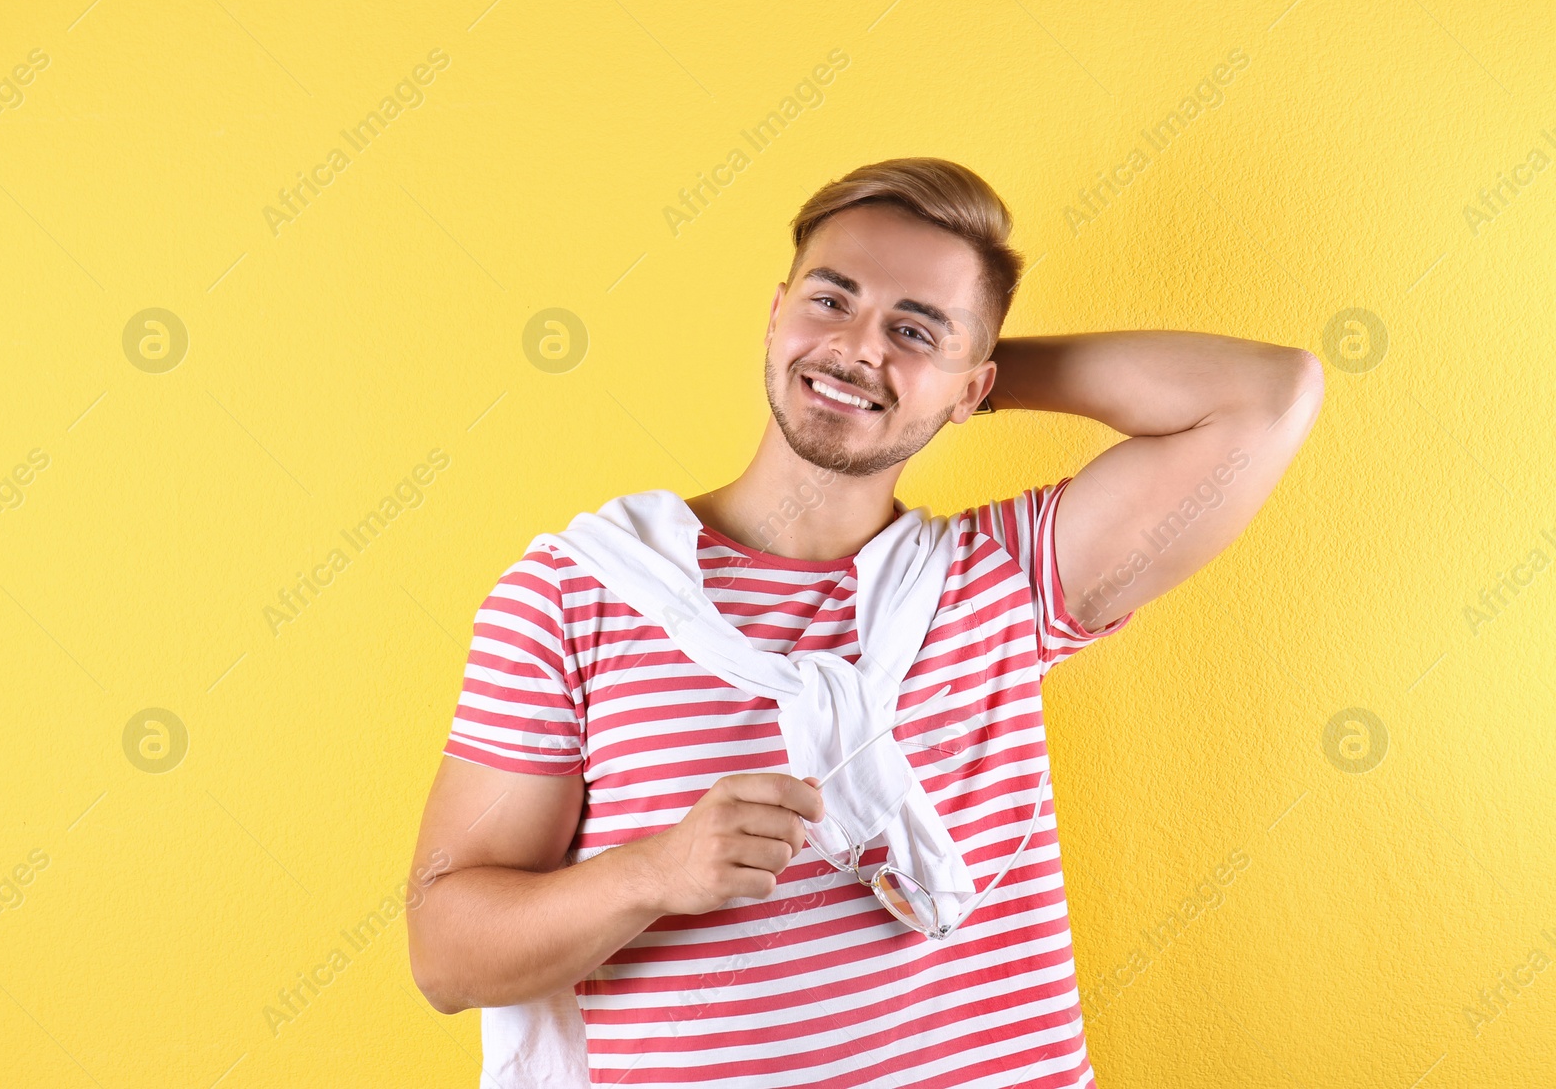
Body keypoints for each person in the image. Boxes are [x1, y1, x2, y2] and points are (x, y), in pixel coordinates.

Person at [406, 157, 1323, 1087]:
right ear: (774, 314)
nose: (855, 350)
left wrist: (956, 370)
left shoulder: (1003, 581)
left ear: (976, 390)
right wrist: (652, 874)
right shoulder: (580, 592)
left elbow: (1271, 395)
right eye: (830, 302)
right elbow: (445, 956)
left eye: (913, 329)